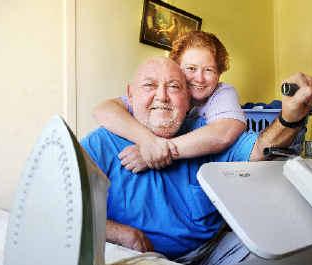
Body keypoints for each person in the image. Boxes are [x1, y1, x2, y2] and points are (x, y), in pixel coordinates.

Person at [81, 57, 312, 265]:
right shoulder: (101, 143)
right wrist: (119, 233)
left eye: (174, 87)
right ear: (130, 95)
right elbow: (56, 205)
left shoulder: (204, 136)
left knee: (277, 256)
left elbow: (259, 149)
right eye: (149, 86)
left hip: (208, 254)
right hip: (135, 262)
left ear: (188, 99)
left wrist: (290, 118)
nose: (162, 96)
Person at [93, 31, 247, 173]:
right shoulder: (160, 94)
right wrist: (147, 141)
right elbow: (104, 109)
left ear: (219, 74)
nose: (199, 78)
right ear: (177, 69)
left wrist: (157, 152)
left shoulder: (222, 93)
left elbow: (224, 133)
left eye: (209, 70)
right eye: (191, 68)